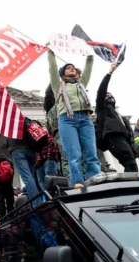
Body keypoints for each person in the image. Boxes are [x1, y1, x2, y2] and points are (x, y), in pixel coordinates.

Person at [47, 49, 101, 187]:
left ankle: (95, 179)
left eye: (73, 67)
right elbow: (52, 67)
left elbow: (89, 66)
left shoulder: (81, 83)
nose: (71, 68)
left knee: (91, 153)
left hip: (85, 119)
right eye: (67, 68)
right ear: (62, 73)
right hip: (67, 119)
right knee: (74, 154)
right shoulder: (58, 85)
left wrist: (89, 53)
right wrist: (50, 51)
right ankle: (77, 182)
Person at [95, 63, 138, 172]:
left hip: (124, 138)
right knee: (129, 162)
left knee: (132, 163)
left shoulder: (117, 113)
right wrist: (109, 73)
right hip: (113, 137)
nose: (109, 95)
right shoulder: (101, 109)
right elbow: (101, 91)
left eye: (111, 95)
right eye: (106, 95)